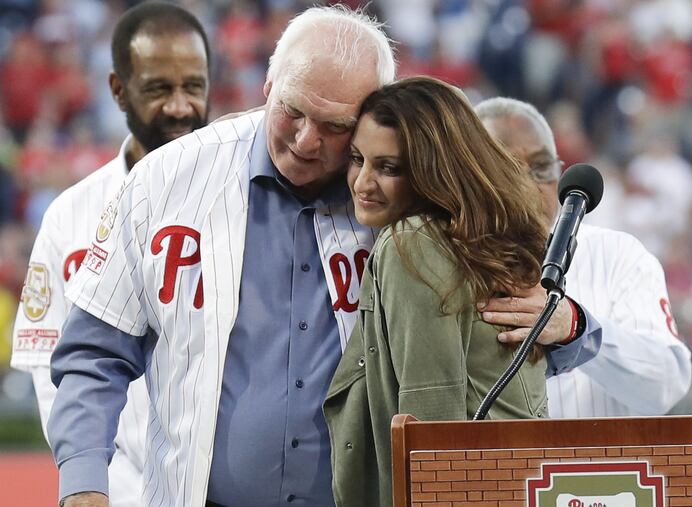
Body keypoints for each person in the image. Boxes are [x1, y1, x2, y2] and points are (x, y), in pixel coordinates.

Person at [49, 7, 599, 507]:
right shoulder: (165, 181)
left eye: (337, 127)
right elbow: (93, 353)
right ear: (267, 83)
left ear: (375, 116)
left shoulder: (413, 204)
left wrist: (569, 323)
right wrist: (82, 486)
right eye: (293, 111)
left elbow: (523, 342)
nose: (308, 141)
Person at [11, 3, 210, 506]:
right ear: (118, 89)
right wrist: (93, 483)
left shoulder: (244, 203)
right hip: (111, 488)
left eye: (194, 86)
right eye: (159, 89)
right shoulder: (70, 217)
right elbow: (52, 377)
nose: (181, 106)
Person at [323, 76, 549, 507]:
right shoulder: (481, 238)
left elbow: (431, 416)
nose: (362, 182)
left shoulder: (413, 241)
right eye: (357, 159)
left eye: (388, 168)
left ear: (434, 170)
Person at [474, 97, 692, 417]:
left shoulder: (617, 255)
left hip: (598, 466)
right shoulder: (447, 260)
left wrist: (577, 329)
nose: (529, 183)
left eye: (541, 167)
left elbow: (667, 384)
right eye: (507, 167)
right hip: (491, 465)